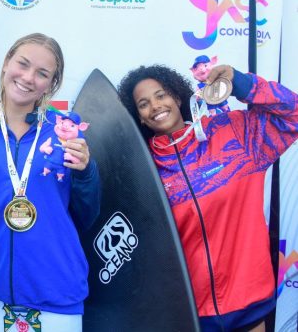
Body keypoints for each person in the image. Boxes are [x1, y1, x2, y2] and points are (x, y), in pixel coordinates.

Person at [117, 64, 298, 332]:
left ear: (177, 97)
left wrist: (243, 85)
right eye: (144, 104)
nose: (155, 106)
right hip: (187, 313)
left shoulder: (233, 134)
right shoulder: (140, 170)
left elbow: (292, 114)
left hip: (247, 302)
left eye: (161, 95)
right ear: (139, 117)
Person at [0, 33, 102, 331]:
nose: (28, 78)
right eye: (23, 64)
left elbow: (86, 213)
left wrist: (85, 171)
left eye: (42, 73)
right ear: (6, 64)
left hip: (56, 293)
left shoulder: (65, 131)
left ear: (51, 84)